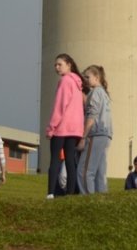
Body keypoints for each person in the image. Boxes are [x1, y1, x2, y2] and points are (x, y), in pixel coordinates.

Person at [46, 53, 84, 198]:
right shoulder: (78, 82)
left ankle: (50, 193)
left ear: (69, 64)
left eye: (59, 64)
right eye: (55, 65)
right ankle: (70, 192)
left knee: (55, 159)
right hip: (75, 129)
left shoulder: (65, 81)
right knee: (70, 160)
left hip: (62, 127)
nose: (56, 67)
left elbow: (59, 106)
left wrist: (51, 127)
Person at [77, 65, 112, 194]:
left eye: (88, 77)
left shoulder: (96, 92)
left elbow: (92, 115)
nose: (85, 79)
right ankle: (101, 199)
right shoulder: (104, 93)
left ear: (96, 78)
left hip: (96, 134)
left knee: (85, 171)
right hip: (106, 135)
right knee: (99, 171)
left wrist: (83, 137)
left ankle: (87, 199)